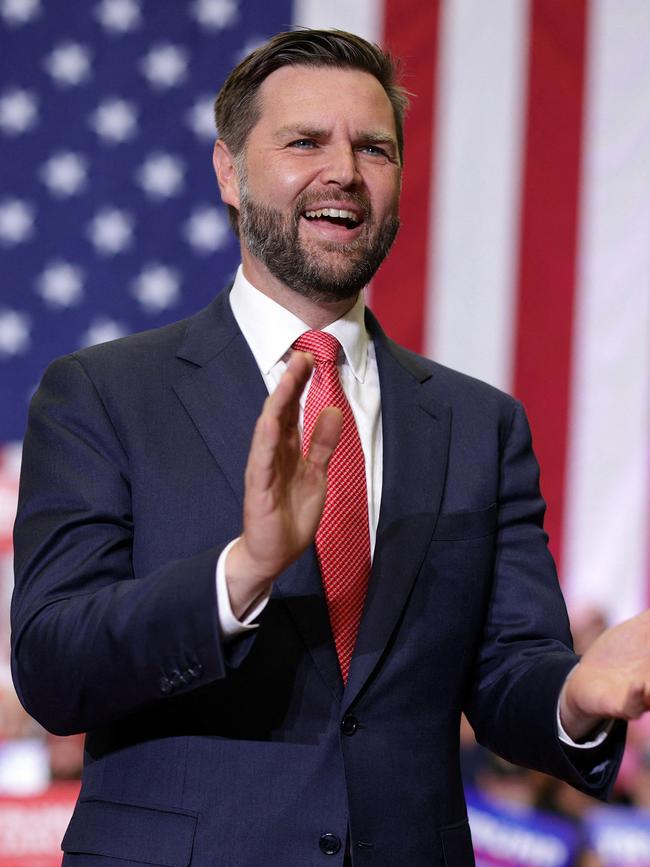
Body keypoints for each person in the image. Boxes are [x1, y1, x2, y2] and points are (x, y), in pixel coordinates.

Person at [10, 28, 650, 867]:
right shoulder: (101, 395)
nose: (344, 170)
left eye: (373, 147)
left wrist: (575, 696)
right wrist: (241, 573)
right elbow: (56, 668)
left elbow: (506, 672)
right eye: (305, 141)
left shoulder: (479, 424)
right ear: (229, 172)